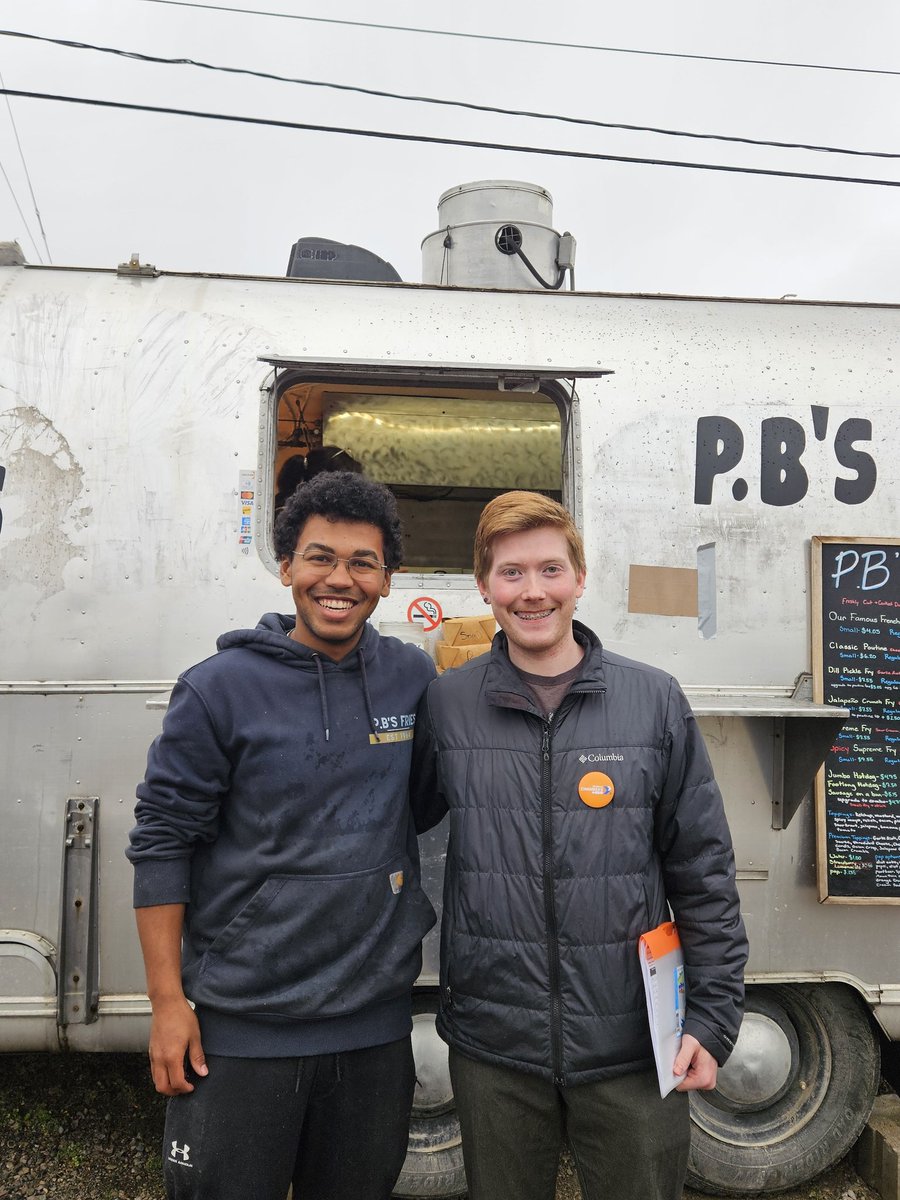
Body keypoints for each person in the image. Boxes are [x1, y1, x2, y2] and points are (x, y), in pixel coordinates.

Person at [411, 491, 748, 1200]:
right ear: (483, 585)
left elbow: (702, 870)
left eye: (551, 569)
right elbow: (392, 823)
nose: (532, 592)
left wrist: (713, 1018)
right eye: (511, 573)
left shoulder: (652, 700)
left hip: (632, 1044)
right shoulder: (448, 703)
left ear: (580, 577)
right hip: (495, 1046)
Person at [127, 470, 437, 1200]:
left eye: (363, 562)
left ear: (387, 580)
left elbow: (422, 803)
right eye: (320, 557)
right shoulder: (218, 687)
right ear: (287, 567)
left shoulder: (410, 678)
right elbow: (163, 842)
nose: (341, 579)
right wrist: (168, 1005)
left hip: (373, 1028)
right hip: (243, 1029)